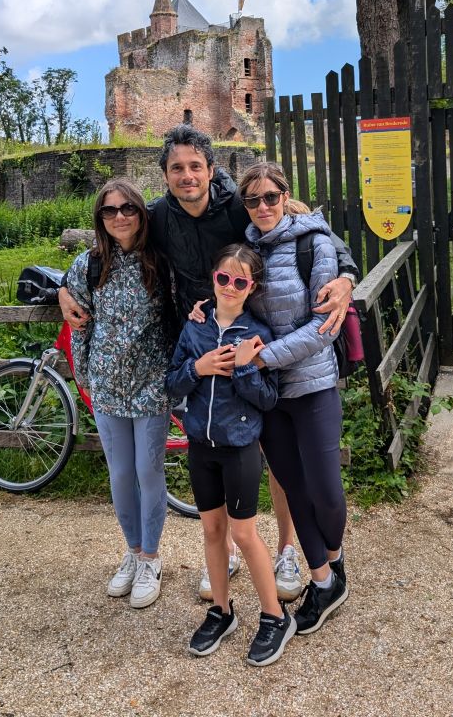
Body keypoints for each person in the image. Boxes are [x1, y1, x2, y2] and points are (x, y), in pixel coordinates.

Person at [58, 124, 359, 598]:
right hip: (198, 343)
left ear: (211, 170)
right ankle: (225, 553)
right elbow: (113, 239)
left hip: (252, 339)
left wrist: (346, 273)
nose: (187, 176)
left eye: (195, 166)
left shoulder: (242, 205)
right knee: (213, 446)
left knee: (273, 456)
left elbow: (303, 221)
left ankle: (286, 550)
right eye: (177, 168)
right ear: (165, 175)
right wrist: (62, 287)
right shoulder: (158, 215)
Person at [165, 243, 296, 667]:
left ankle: (275, 616)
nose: (230, 287)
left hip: (239, 448)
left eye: (240, 282)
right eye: (223, 278)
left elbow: (268, 399)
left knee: (243, 534)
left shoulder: (258, 334)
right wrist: (198, 368)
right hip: (200, 446)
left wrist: (243, 367)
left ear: (251, 287)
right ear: (214, 278)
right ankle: (222, 611)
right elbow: (172, 383)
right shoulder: (195, 327)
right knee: (211, 531)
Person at [237, 161, 349, 635]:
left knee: (325, 489)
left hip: (311, 383)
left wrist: (263, 359)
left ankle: (335, 560)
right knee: (294, 486)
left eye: (270, 197)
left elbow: (324, 327)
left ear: (285, 196)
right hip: (268, 395)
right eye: (253, 199)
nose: (262, 206)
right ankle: (322, 582)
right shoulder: (246, 250)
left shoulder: (314, 244)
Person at [65, 178, 176, 610]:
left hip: (151, 382)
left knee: (148, 470)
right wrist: (84, 375)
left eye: (128, 208)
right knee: (120, 473)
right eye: (109, 210)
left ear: (141, 213)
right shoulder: (89, 264)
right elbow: (79, 322)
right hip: (107, 383)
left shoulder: (160, 261)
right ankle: (132, 551)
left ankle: (151, 558)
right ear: (100, 218)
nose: (119, 217)